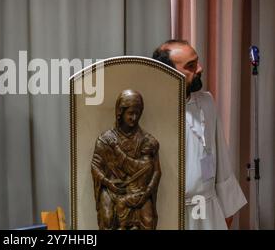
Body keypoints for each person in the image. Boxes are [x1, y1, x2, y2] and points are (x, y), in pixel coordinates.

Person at [152, 40, 247, 229]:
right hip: (168, 213)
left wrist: (228, 210)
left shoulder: (207, 102)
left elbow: (222, 161)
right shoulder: (152, 109)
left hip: (209, 210)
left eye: (197, 62)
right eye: (191, 66)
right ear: (168, 72)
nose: (200, 68)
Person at [91, 90, 161, 230]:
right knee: (108, 216)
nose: (134, 118)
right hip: (112, 189)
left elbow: (156, 172)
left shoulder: (148, 141)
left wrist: (147, 192)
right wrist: (108, 183)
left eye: (137, 113)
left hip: (140, 191)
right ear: (120, 113)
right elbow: (95, 166)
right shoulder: (105, 140)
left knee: (148, 220)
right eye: (130, 113)